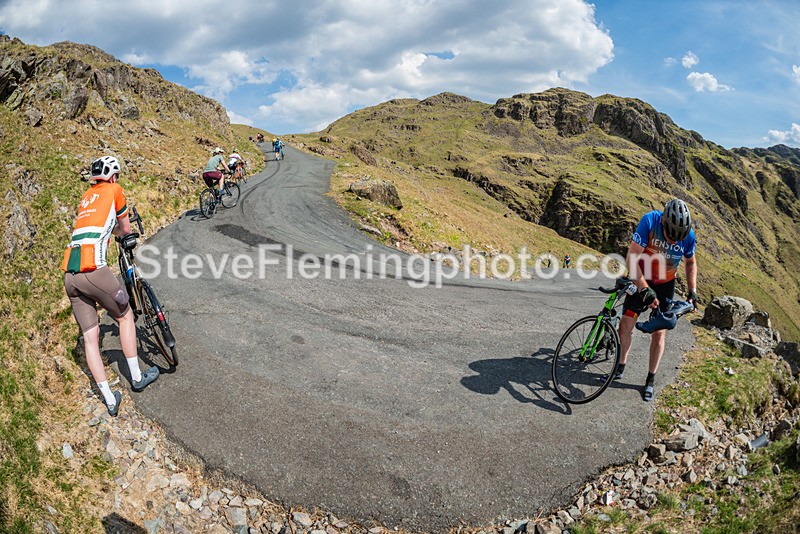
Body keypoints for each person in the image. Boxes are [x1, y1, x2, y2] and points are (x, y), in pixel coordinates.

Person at [61, 156, 159, 416]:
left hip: (70, 274)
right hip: (93, 269)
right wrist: (120, 231)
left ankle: (109, 399)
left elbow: (94, 225)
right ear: (113, 176)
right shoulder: (114, 189)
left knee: (90, 338)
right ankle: (136, 377)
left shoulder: (87, 196)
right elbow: (124, 228)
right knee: (125, 316)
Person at [615, 198, 698, 402]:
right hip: (641, 278)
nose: (673, 242)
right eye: (670, 236)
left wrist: (692, 291)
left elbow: (690, 263)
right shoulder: (650, 221)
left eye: (678, 238)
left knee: (659, 334)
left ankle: (650, 379)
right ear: (664, 222)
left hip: (665, 285)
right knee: (625, 326)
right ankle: (621, 364)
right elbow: (632, 258)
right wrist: (644, 289)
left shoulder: (688, 237)